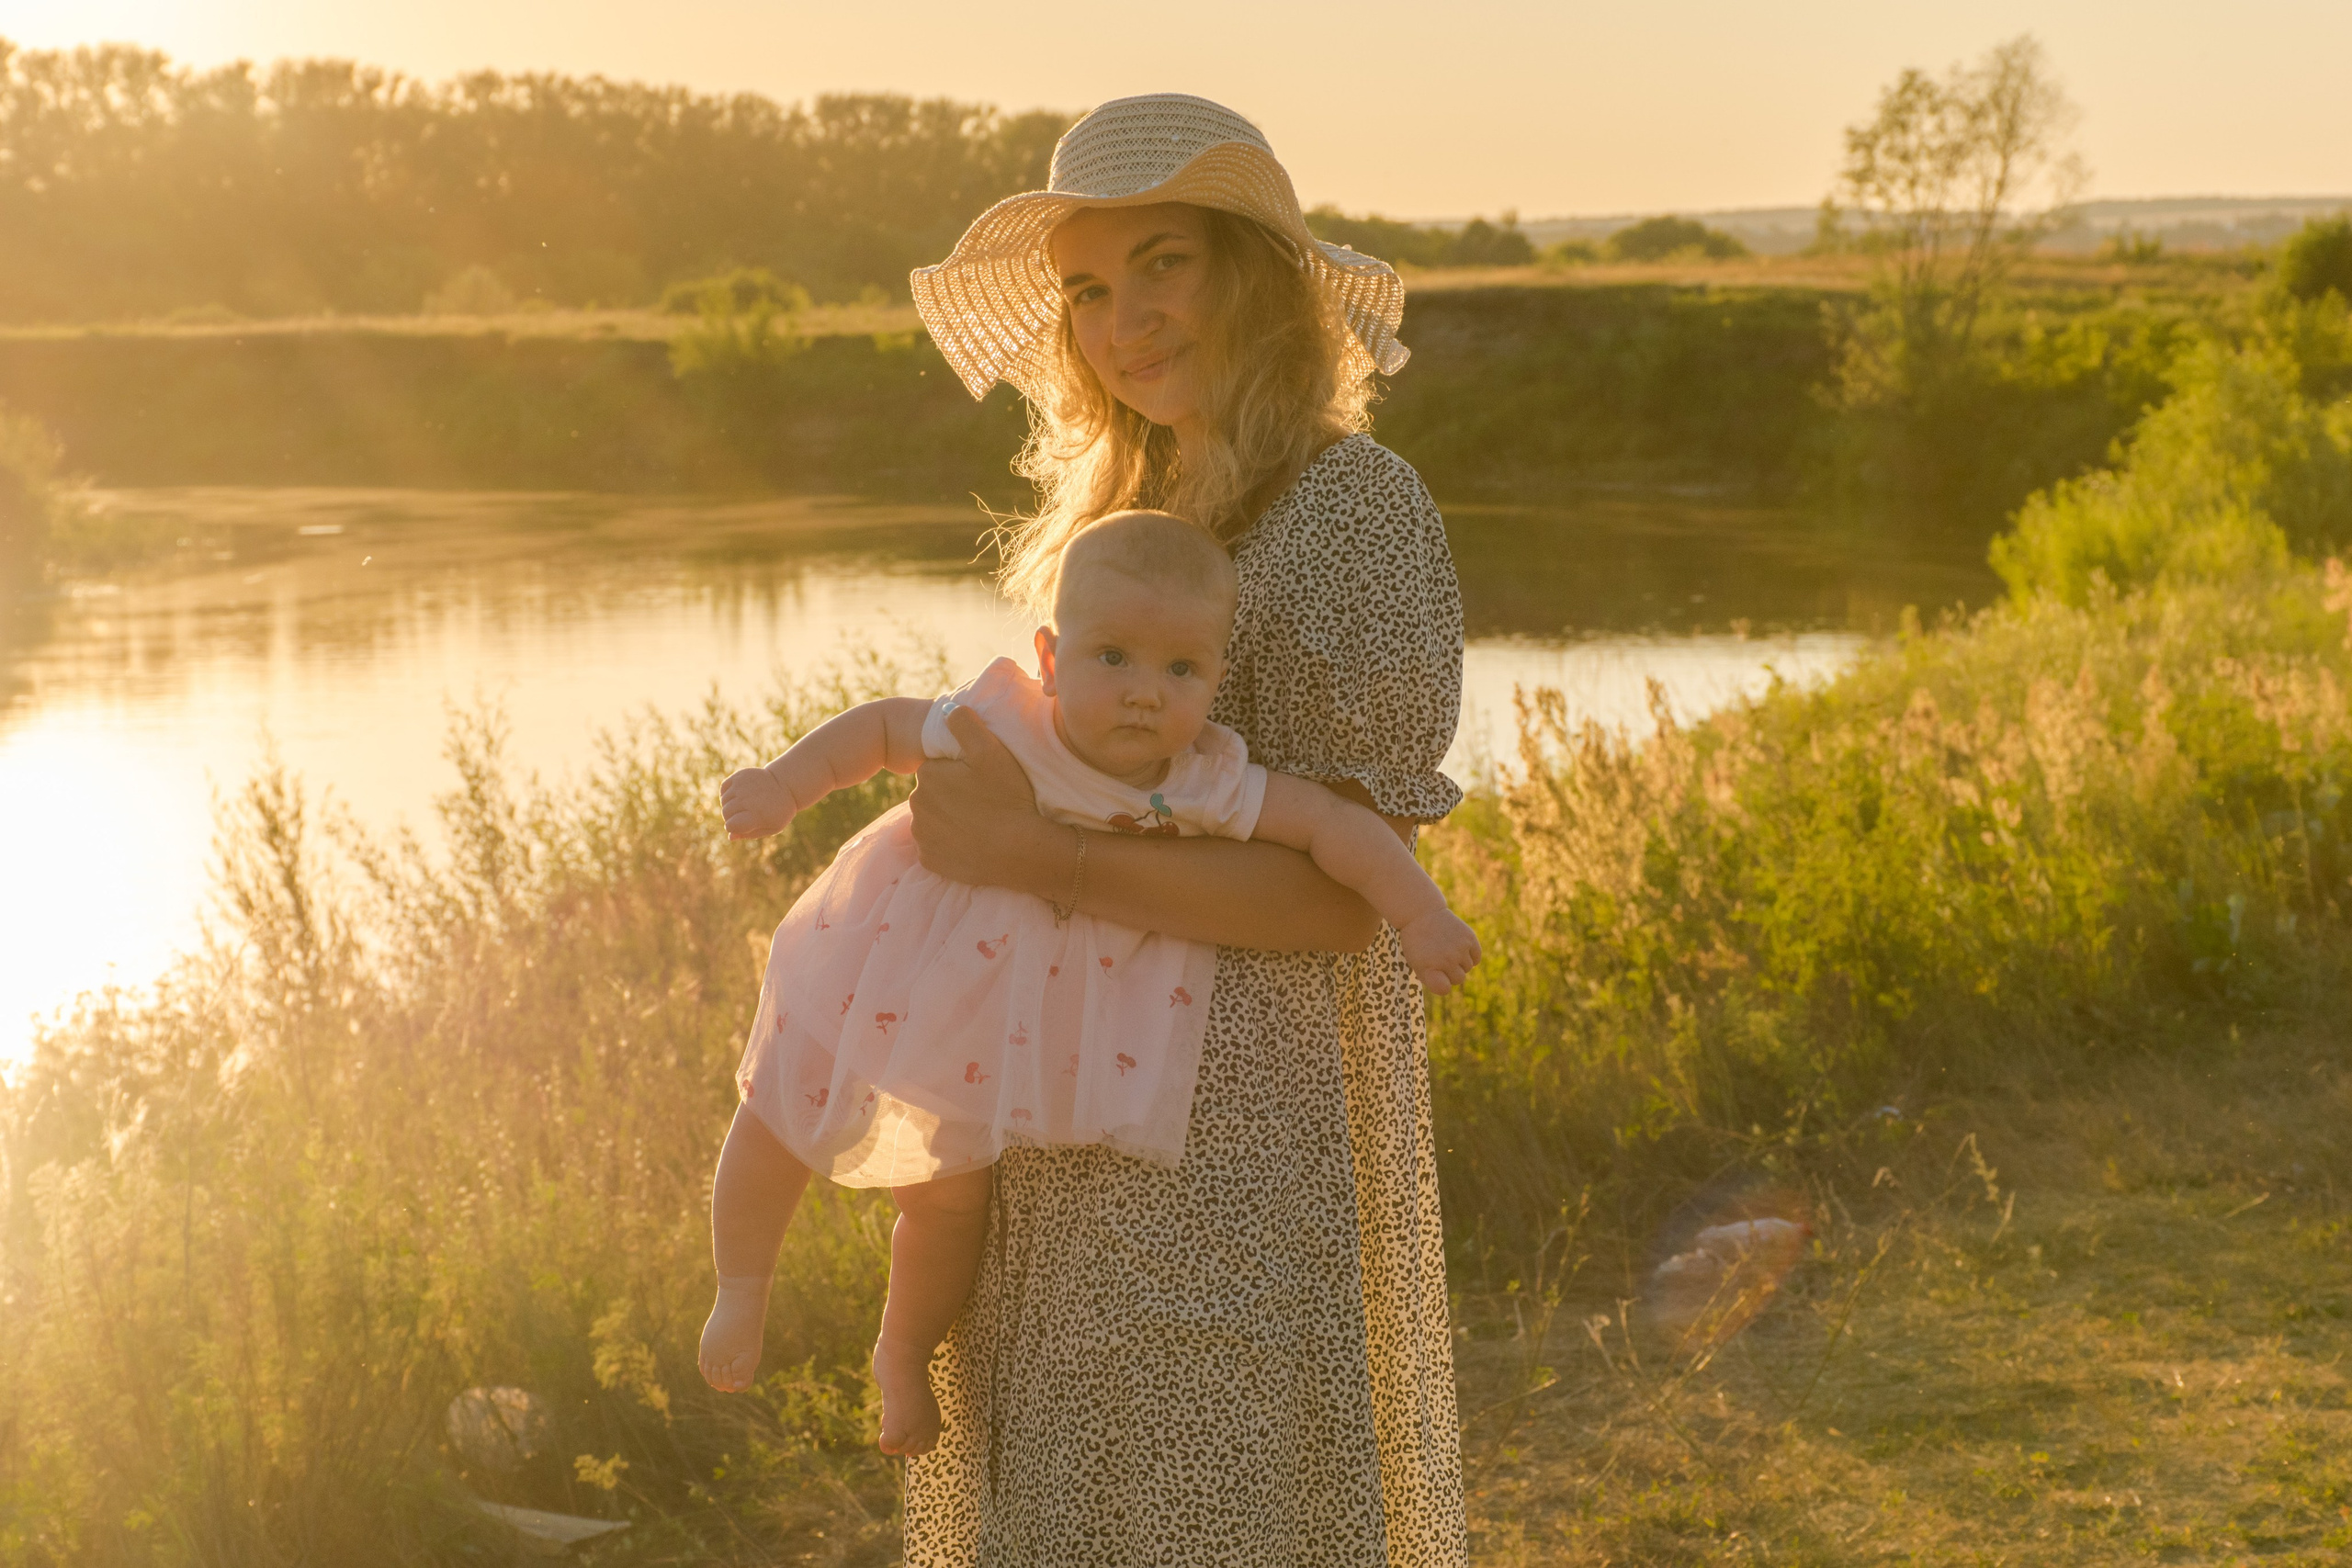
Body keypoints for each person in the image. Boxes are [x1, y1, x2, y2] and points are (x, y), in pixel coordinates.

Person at [897, 95, 1472, 1564]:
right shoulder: (1127, 508)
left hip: (1238, 1160)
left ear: (1254, 273)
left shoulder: (1352, 506)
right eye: (1088, 288)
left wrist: (1041, 855)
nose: (1122, 319)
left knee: (1218, 1522)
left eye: (1163, 264)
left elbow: (1349, 898)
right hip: (1066, 1132)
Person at [699, 508, 1482, 1458]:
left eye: (1180, 671)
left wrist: (1420, 914)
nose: (1145, 694)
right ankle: (741, 1288)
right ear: (1049, 653)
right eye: (1112, 657)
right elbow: (881, 729)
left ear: (1216, 681)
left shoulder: (1199, 781)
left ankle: (901, 1354)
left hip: (1004, 1023)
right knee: (778, 1106)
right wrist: (783, 787)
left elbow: (1333, 829)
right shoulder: (1004, 723)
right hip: (896, 953)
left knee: (949, 1200)